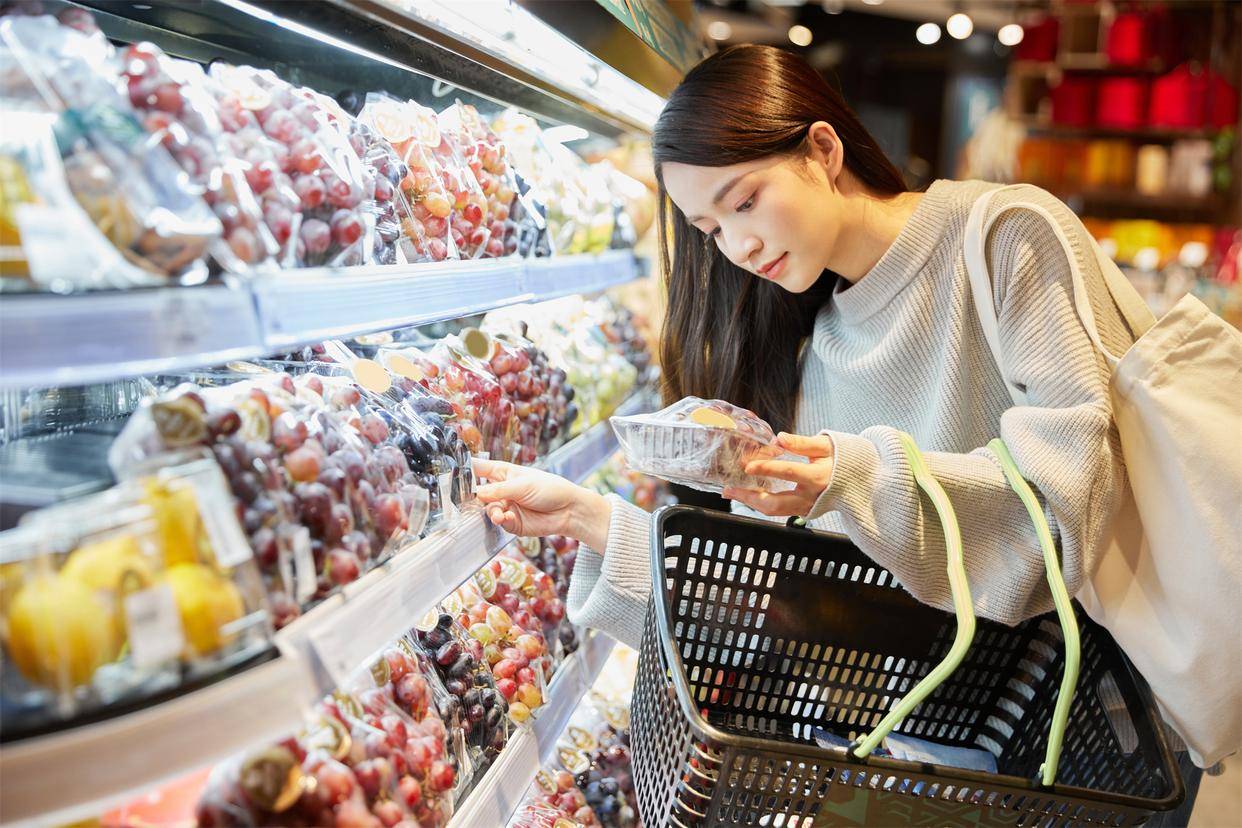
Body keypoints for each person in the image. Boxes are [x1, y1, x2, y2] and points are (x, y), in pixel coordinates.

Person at [474, 44, 1201, 821]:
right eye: (710, 227)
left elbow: (1070, 510)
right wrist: (593, 522)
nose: (739, 247)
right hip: (944, 767)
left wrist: (854, 479)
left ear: (822, 149)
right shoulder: (818, 352)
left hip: (1088, 746)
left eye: (746, 200)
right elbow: (783, 610)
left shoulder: (1004, 238)